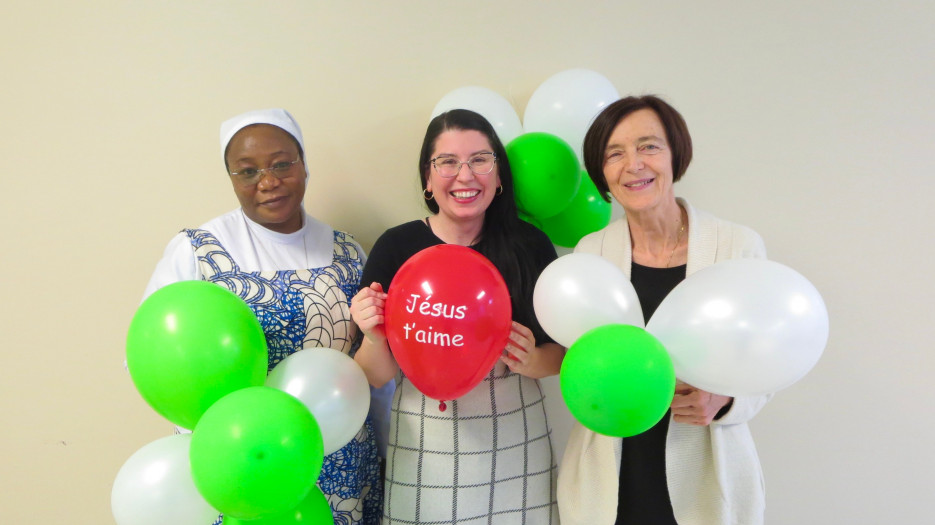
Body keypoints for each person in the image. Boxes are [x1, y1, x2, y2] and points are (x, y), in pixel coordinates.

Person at [143, 108, 383, 525]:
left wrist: (385, 446)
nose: (268, 182)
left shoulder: (347, 251)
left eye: (281, 164)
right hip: (246, 465)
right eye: (247, 171)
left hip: (343, 461)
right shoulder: (198, 251)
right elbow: (151, 357)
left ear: (304, 164)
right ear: (231, 178)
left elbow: (372, 366)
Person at [556, 95, 771, 525]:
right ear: (602, 172)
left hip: (706, 472)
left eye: (649, 146)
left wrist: (725, 401)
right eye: (614, 153)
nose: (633, 164)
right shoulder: (590, 254)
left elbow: (766, 361)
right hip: (610, 474)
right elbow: (579, 360)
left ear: (676, 154)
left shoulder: (736, 247)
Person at [349, 109, 563, 523]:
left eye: (480, 160)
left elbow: (567, 354)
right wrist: (374, 335)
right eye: (447, 162)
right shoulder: (397, 247)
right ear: (428, 180)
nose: (464, 175)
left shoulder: (529, 245)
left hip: (517, 440)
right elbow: (374, 376)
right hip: (425, 442)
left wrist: (536, 361)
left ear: (499, 176)